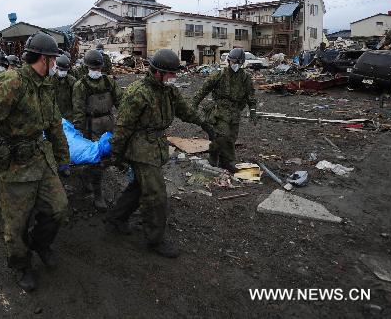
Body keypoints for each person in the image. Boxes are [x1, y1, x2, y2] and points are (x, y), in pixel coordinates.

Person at [0, 32, 70, 292]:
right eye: (53, 59)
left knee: (58, 207)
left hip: (40, 157)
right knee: (16, 225)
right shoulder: (12, 82)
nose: (56, 65)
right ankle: (21, 264)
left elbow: (55, 124)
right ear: (44, 59)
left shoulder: (45, 85)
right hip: (13, 163)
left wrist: (62, 159)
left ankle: (40, 242)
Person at [105, 49, 211, 258]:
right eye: (170, 74)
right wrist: (116, 155)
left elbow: (184, 110)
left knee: (138, 187)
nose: (174, 78)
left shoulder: (168, 91)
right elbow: (123, 127)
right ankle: (155, 240)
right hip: (140, 148)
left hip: (156, 146)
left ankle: (116, 218)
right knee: (156, 195)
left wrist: (204, 123)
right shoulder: (138, 92)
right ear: (157, 73)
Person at [191, 47, 257, 173]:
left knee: (231, 138)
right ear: (228, 61)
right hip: (220, 111)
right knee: (222, 136)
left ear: (242, 63)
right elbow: (203, 90)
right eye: (233, 62)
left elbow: (251, 96)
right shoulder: (220, 74)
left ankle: (223, 161)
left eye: (238, 63)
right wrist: (193, 105)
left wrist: (253, 111)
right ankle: (222, 158)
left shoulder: (245, 78)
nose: (235, 65)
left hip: (235, 112)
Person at [72, 49, 122, 210]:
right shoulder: (81, 85)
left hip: (108, 122)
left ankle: (86, 175)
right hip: (90, 124)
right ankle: (98, 195)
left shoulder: (109, 82)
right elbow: (78, 110)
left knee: (107, 156)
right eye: (93, 68)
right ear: (86, 67)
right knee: (96, 159)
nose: (96, 71)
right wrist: (79, 131)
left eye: (98, 68)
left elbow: (120, 101)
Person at [51, 54, 76, 121]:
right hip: (53, 118)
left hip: (69, 118)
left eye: (65, 70)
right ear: (55, 68)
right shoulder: (48, 80)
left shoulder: (71, 81)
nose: (63, 72)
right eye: (61, 70)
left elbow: (76, 100)